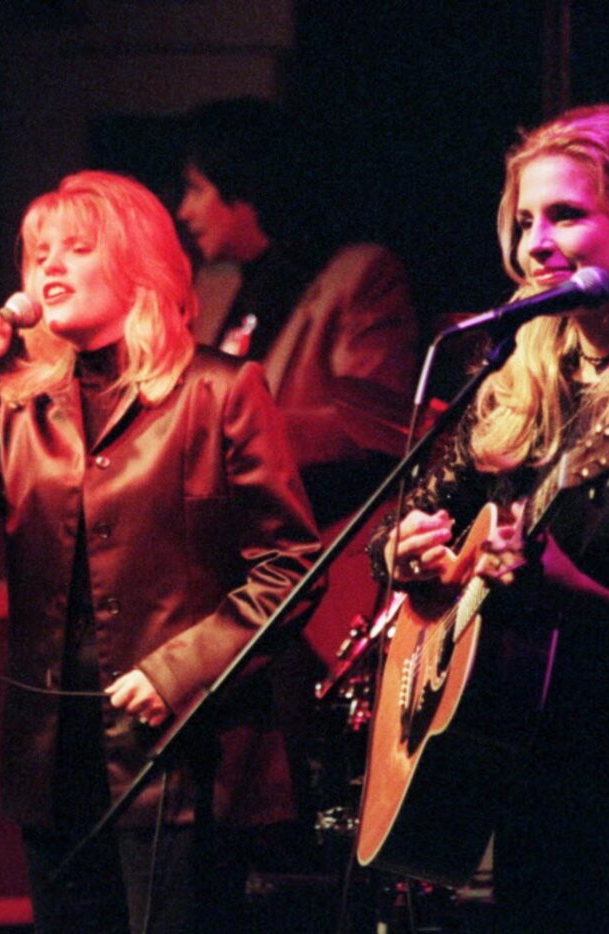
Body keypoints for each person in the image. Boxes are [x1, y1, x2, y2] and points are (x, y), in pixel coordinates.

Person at [370, 104, 609, 930]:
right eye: (523, 221)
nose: (536, 243)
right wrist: (402, 556)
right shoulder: (509, 377)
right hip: (537, 786)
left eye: (566, 214)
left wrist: (575, 592)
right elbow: (405, 525)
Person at [0, 169, 325, 933]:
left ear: (139, 266)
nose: (48, 268)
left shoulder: (220, 392)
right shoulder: (22, 408)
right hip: (54, 768)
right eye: (37, 255)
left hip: (183, 763)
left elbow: (292, 570)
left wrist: (178, 671)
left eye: (76, 248)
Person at [175, 97, 420, 864]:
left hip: (323, 577)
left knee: (302, 812)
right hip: (222, 581)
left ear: (243, 187)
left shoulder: (358, 275)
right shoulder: (212, 288)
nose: (183, 210)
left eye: (195, 187)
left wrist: (243, 432)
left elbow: (375, 425)